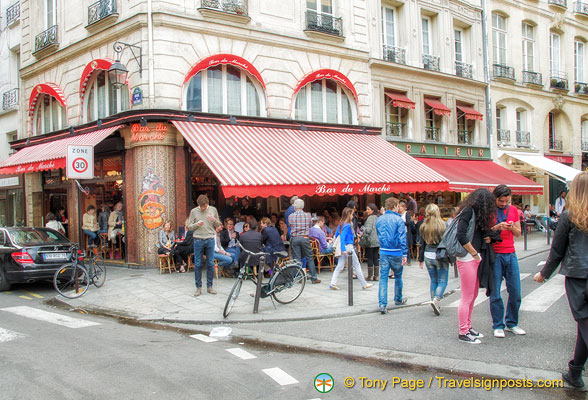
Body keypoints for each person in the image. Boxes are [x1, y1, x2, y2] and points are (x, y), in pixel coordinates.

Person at [534, 172, 588, 390]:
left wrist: (543, 274)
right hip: (579, 273)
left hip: (578, 276)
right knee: (583, 326)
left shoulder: (569, 215)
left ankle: (575, 373)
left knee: (585, 322)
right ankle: (574, 373)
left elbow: (557, 251)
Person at [455, 188, 496, 344]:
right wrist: (474, 253)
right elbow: (461, 235)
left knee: (472, 295)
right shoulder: (468, 212)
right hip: (467, 258)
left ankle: (468, 326)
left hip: (472, 257)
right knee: (467, 297)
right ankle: (463, 331)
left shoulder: (473, 212)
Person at [488, 185, 525, 338]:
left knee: (515, 291)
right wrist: (497, 227)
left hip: (510, 253)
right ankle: (498, 324)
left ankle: (511, 323)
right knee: (495, 292)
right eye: (501, 201)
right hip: (495, 254)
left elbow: (518, 233)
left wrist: (510, 228)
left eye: (506, 201)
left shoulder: (513, 210)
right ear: (495, 198)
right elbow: (485, 232)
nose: (503, 204)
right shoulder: (489, 211)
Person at [377, 197, 408, 313]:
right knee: (398, 276)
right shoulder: (398, 220)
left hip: (384, 251)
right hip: (396, 251)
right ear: (395, 206)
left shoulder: (379, 219)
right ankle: (398, 299)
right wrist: (405, 253)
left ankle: (382, 304)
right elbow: (402, 238)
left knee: (383, 277)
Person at [329, 207, 372, 291]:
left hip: (344, 247)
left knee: (340, 266)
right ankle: (364, 284)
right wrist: (343, 249)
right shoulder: (348, 225)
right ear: (349, 215)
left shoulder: (341, 224)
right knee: (357, 265)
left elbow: (337, 234)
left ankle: (332, 283)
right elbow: (342, 237)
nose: (353, 216)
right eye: (352, 214)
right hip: (348, 247)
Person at [418, 204, 449, 315]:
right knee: (443, 280)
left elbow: (421, 244)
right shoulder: (443, 225)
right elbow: (447, 242)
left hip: (427, 254)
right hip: (440, 254)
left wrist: (420, 259)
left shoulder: (423, 226)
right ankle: (436, 298)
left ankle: (434, 300)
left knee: (433, 280)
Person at [188, 194, 221, 296]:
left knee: (210, 263)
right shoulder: (194, 211)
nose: (203, 208)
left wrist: (213, 220)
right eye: (202, 207)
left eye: (205, 206)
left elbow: (218, 224)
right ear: (198, 205)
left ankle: (209, 286)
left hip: (210, 238)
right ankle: (198, 287)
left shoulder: (213, 209)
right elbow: (189, 227)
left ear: (208, 204)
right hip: (198, 239)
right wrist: (197, 224)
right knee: (198, 264)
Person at [288, 198, 321, 284]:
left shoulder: (290, 216)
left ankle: (299, 277)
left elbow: (290, 225)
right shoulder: (308, 215)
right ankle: (314, 278)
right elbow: (310, 226)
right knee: (309, 257)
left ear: (295, 207)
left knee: (297, 258)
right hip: (305, 237)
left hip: (295, 238)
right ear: (303, 206)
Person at [360, 203, 380, 281]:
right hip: (377, 240)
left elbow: (368, 230)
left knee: (370, 258)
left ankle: (370, 276)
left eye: (368, 209)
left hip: (370, 240)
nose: (367, 211)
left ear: (373, 210)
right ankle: (377, 276)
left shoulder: (370, 218)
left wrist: (362, 228)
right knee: (376, 257)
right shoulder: (378, 217)